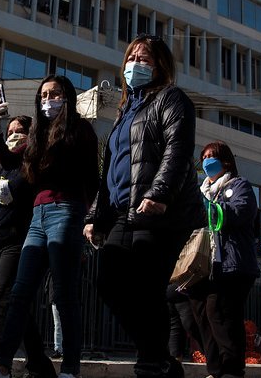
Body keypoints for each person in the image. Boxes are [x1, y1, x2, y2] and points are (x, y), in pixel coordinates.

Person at [0, 75, 99, 378]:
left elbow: (91, 176)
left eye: (55, 94)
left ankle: (70, 370)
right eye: (44, 95)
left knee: (63, 293)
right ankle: (0, 365)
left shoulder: (80, 130)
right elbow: (13, 164)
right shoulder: (37, 133)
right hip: (38, 216)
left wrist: (85, 216)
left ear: (68, 97)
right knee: (19, 292)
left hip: (66, 210)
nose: (48, 100)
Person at [84, 35, 203, 378]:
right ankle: (161, 357)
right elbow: (111, 169)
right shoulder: (125, 111)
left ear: (161, 65)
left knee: (147, 287)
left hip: (160, 211)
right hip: (124, 211)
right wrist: (95, 215)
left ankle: (150, 363)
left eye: (145, 58)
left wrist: (160, 194)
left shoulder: (171, 98)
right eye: (131, 57)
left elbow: (178, 149)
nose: (135, 63)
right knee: (108, 281)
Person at [0, 111, 56, 378]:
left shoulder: (31, 162)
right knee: (16, 303)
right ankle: (39, 363)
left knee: (2, 298)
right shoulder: (6, 164)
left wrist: (1, 192)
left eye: (18, 131)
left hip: (19, 237)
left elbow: (19, 187)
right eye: (9, 131)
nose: (13, 135)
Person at [188, 141, 260, 378]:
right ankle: (216, 369)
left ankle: (232, 370)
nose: (207, 160)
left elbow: (238, 213)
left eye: (212, 156)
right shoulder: (199, 192)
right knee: (199, 313)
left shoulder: (239, 186)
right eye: (204, 156)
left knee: (221, 311)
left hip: (232, 263)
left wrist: (210, 207)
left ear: (226, 161)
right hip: (204, 266)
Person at [167, 283, 202, 362]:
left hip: (185, 287)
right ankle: (176, 361)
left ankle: (210, 358)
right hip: (172, 290)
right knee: (174, 327)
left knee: (191, 325)